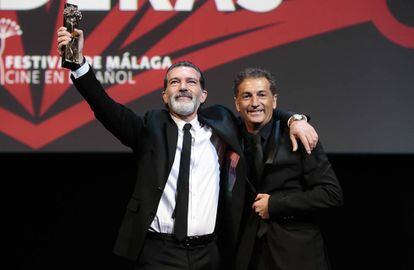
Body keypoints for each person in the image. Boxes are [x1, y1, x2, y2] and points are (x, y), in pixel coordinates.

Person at [57, 27, 318, 270]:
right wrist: (79, 64)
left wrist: (294, 119)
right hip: (158, 252)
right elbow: (105, 107)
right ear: (164, 95)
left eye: (191, 82)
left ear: (203, 95)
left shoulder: (223, 125)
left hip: (210, 253)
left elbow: (259, 111)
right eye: (174, 82)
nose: (183, 86)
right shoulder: (151, 129)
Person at [233, 67, 343, 270]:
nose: (255, 103)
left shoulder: (300, 136)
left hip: (297, 253)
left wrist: (275, 205)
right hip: (249, 255)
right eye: (247, 96)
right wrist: (293, 117)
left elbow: (331, 194)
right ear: (237, 103)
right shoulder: (230, 135)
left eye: (262, 95)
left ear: (274, 100)